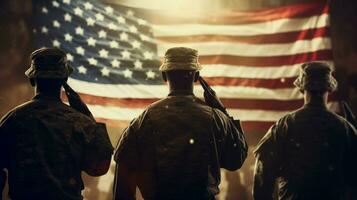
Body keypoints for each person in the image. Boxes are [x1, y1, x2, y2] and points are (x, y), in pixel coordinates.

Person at [113, 47, 248, 200]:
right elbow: (236, 159)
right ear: (196, 76)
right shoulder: (215, 118)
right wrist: (222, 110)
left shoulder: (144, 119)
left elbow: (123, 178)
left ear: (164, 75)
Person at [0, 48, 114, 200]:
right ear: (65, 79)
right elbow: (100, 167)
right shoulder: (79, 122)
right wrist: (86, 114)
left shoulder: (13, 120)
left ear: (32, 79)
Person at [252, 62, 357, 200]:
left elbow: (263, 171)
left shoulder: (285, 125)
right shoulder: (345, 128)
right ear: (328, 89)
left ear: (302, 89)